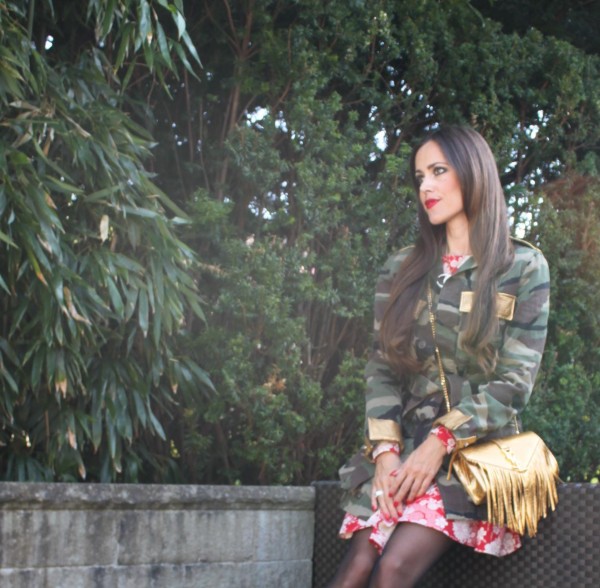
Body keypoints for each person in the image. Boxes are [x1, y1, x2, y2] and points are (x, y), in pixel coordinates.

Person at [328, 126, 550, 588]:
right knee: (355, 571)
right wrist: (386, 453)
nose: (425, 186)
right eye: (419, 177)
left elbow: (515, 381)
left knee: (391, 570)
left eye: (438, 171)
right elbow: (382, 367)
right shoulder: (402, 268)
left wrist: (440, 441)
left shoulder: (522, 267)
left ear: (473, 173)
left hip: (471, 457)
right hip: (402, 454)